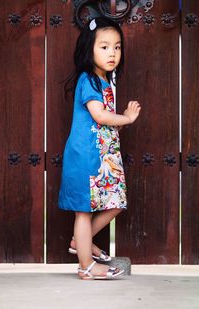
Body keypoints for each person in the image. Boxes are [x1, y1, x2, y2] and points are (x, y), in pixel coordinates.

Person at [58, 17, 141, 280]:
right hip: (85, 157)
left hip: (101, 157)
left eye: (117, 47)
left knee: (116, 202)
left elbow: (105, 124)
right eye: (104, 47)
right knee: (83, 211)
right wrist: (126, 119)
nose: (112, 53)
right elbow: (101, 117)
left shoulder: (104, 82)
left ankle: (79, 242)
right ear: (89, 48)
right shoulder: (89, 80)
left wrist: (120, 122)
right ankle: (86, 266)